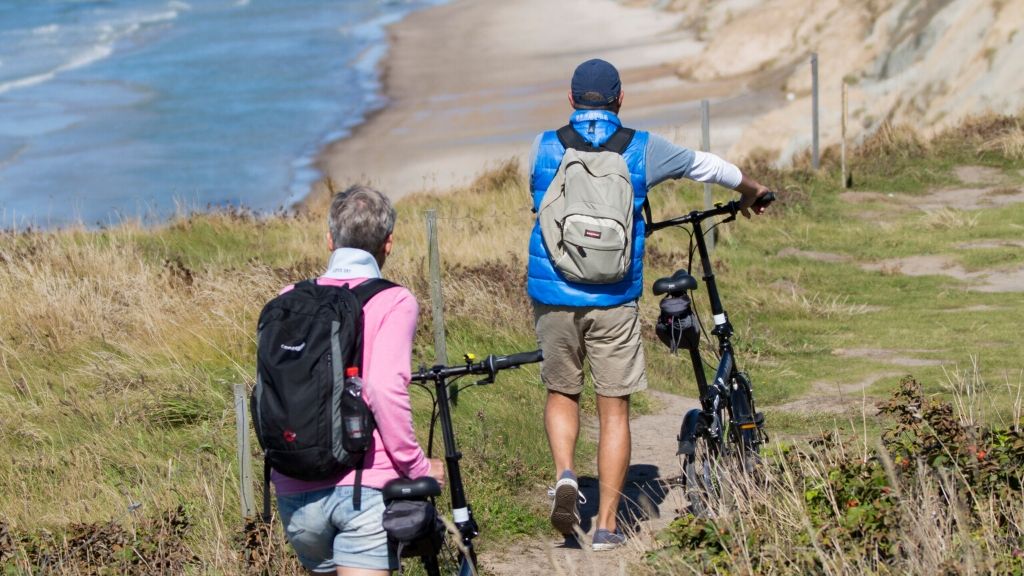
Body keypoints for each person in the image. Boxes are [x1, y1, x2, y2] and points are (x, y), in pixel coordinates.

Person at [527, 59, 771, 551]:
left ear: (570, 100)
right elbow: (708, 166)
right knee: (614, 408)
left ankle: (566, 475)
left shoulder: (544, 144)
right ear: (620, 99)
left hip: (554, 294)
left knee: (562, 392)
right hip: (614, 296)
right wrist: (753, 191)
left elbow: (539, 203)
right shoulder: (642, 147)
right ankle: (607, 526)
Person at [272, 185, 445, 575]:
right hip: (364, 487)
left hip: (295, 489)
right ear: (389, 243)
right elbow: (383, 388)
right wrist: (417, 466)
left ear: (329, 240)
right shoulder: (394, 300)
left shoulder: (288, 298)